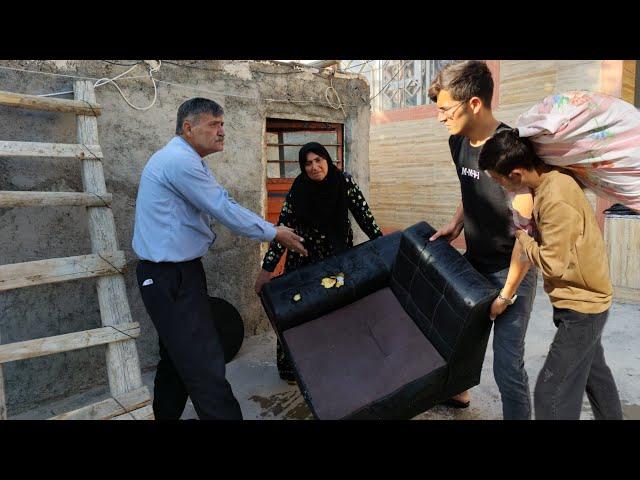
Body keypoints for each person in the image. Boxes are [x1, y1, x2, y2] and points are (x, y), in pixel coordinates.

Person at [132, 97, 307, 420]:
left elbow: (220, 201)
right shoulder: (178, 162)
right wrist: (274, 232)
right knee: (203, 361)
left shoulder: (188, 161)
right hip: (170, 275)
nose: (222, 131)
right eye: (214, 124)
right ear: (188, 127)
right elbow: (223, 208)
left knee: (176, 357)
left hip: (176, 273)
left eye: (222, 124)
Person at [478, 129, 623, 420]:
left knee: (551, 393)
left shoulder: (555, 199)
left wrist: (523, 236)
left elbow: (553, 264)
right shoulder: (548, 180)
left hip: (583, 306)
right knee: (596, 376)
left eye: (498, 180)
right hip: (581, 298)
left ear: (516, 175)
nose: (499, 186)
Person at [427, 61, 538, 419]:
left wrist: (505, 295)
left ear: (474, 103)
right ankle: (458, 394)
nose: (440, 117)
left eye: (445, 109)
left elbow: (527, 234)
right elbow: (469, 185)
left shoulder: (512, 149)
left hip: (513, 270)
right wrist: (455, 224)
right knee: (459, 341)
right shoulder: (456, 142)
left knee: (507, 366)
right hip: (474, 261)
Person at [254, 142, 383, 383]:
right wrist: (266, 271)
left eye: (318, 160)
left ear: (328, 160)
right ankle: (291, 369)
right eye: (308, 163)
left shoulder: (344, 183)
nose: (314, 167)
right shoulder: (298, 189)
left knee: (338, 313)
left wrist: (383, 245)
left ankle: (333, 361)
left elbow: (365, 218)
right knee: (296, 314)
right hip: (303, 261)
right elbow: (282, 231)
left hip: (337, 261)